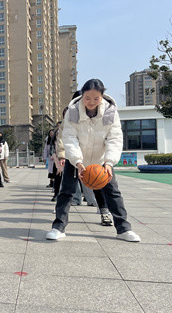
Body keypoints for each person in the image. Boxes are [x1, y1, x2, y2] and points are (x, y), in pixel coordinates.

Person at [46, 79, 141, 242]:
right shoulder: (73, 111)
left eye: (96, 98)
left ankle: (124, 228)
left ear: (102, 96)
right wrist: (78, 161)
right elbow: (69, 138)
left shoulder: (110, 112)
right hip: (76, 159)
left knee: (113, 192)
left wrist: (109, 162)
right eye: (87, 98)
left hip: (100, 160)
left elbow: (115, 138)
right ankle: (58, 227)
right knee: (66, 192)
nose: (91, 102)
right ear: (82, 95)